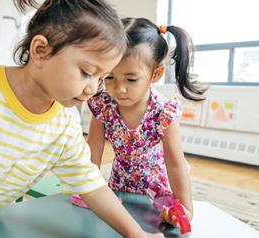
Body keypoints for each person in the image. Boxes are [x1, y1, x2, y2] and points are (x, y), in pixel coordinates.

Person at [0, 1, 164, 237]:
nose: (92, 89)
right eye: (86, 72)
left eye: (101, 78)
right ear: (40, 51)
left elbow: (91, 183)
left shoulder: (64, 127)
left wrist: (135, 234)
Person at [86, 17, 208, 227]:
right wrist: (87, 189)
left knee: (157, 228)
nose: (119, 89)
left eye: (131, 79)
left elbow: (176, 164)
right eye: (110, 77)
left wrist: (186, 208)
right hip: (119, 185)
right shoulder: (103, 105)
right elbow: (93, 149)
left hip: (159, 192)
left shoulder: (163, 112)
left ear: (155, 74)